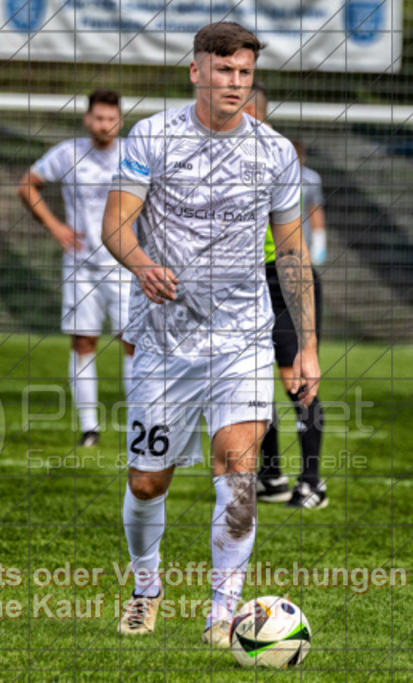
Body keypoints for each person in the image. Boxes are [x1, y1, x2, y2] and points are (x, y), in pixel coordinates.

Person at [102, 23, 319, 646]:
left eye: (245, 72)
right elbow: (115, 223)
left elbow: (294, 252)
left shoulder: (275, 152)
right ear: (196, 70)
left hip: (242, 339)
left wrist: (304, 344)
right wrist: (143, 264)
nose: (235, 83)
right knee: (149, 481)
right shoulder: (153, 136)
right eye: (223, 70)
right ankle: (146, 590)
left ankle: (223, 613)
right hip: (165, 340)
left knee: (240, 477)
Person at [17, 89, 135, 447]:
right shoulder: (68, 153)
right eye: (98, 117)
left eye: (111, 118)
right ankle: (89, 428)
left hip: (124, 265)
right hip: (81, 266)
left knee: (134, 343)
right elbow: (27, 185)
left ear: (120, 120)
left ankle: (138, 423)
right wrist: (55, 227)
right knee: (83, 342)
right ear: (87, 119)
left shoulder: (134, 153)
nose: (104, 124)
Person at [243, 86, 328, 508]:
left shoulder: (277, 156)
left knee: (297, 383)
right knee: (249, 384)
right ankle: (270, 474)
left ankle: (312, 482)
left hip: (284, 280)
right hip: (244, 280)